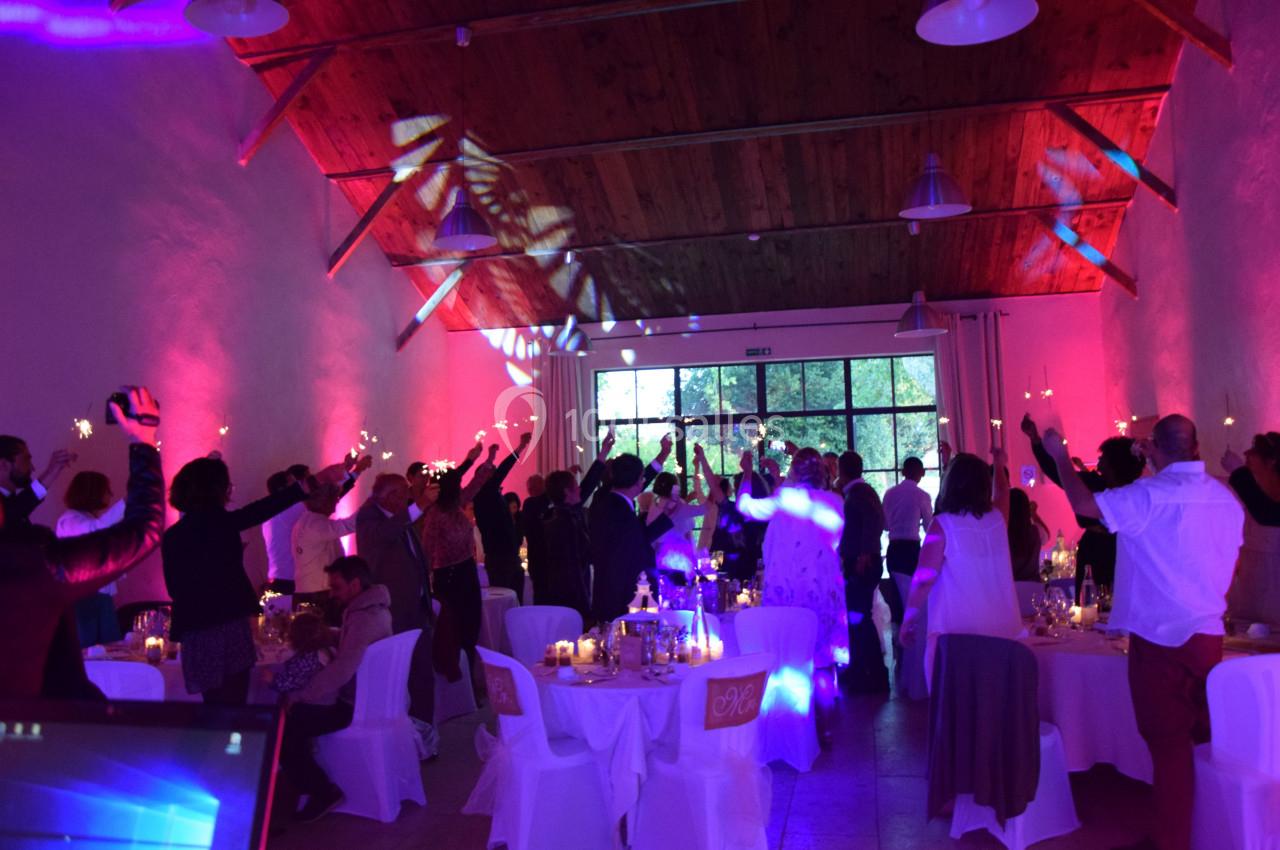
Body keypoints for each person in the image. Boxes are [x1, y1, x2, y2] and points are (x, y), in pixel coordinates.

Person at [1043, 416, 1243, 850]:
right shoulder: (1224, 498)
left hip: (1160, 640)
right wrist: (1155, 458)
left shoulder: (1148, 496)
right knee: (1207, 746)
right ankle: (1211, 834)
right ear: (1196, 446)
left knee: (1169, 750)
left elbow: (1084, 504)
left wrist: (1059, 456)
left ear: (1156, 446)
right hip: (1208, 636)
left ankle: (1172, 841)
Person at [0, 387, 164, 700]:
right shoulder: (34, 564)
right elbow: (143, 533)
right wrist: (143, 443)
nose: (32, 466)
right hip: (35, 723)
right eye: (27, 460)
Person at [163, 454, 349, 705]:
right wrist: (316, 479)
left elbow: (175, 588)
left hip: (197, 630)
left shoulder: (174, 536)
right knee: (234, 705)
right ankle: (237, 744)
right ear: (215, 490)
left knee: (213, 706)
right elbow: (267, 507)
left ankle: (214, 743)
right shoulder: (223, 524)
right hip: (230, 625)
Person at [738, 447, 847, 745]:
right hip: (824, 591)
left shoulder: (786, 500)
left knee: (789, 656)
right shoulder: (836, 501)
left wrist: (748, 473)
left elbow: (746, 507)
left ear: (796, 472)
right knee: (822, 660)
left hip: (789, 592)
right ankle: (824, 729)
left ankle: (789, 729)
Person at [277, 556, 393, 823]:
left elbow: (342, 669)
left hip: (354, 705)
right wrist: (329, 634)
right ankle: (303, 784)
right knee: (296, 718)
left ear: (354, 585)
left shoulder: (363, 618)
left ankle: (321, 791)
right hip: (371, 698)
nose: (332, 594)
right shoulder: (374, 609)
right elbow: (354, 645)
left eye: (337, 587)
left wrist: (300, 695)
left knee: (286, 724)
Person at [901, 450, 1022, 691]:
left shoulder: (942, 525)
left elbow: (924, 579)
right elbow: (1004, 493)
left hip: (958, 638)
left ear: (950, 484)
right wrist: (999, 464)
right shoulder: (997, 519)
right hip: (1004, 633)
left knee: (955, 710)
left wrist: (908, 618)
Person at [1021, 413, 1145, 595]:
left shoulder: (1134, 491)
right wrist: (1035, 440)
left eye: (1103, 458)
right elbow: (1056, 472)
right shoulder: (1094, 482)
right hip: (1096, 549)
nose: (1099, 462)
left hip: (1119, 549)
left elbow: (1057, 471)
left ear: (1113, 463)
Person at [355, 471, 436, 722]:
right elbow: (383, 535)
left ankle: (424, 730)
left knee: (422, 672)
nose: (410, 497)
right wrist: (419, 506)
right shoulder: (370, 517)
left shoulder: (401, 519)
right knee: (396, 674)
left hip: (415, 607)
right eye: (404, 493)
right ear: (389, 496)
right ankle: (399, 728)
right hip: (393, 610)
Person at [423, 443, 493, 679]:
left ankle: (470, 678)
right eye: (456, 484)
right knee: (454, 629)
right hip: (448, 576)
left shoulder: (457, 504)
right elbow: (426, 549)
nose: (461, 486)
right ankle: (455, 679)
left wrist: (488, 458)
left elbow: (477, 483)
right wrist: (425, 582)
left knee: (471, 627)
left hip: (466, 571)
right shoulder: (434, 514)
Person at [588, 450, 676, 623]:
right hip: (622, 595)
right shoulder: (619, 510)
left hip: (608, 590)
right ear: (638, 480)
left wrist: (665, 516)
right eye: (642, 477)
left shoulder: (605, 500)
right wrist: (666, 517)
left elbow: (632, 540)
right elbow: (637, 547)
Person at [55, 471, 127, 646]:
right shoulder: (70, 520)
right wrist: (127, 502)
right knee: (89, 654)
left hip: (99, 598)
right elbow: (95, 530)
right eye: (106, 490)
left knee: (109, 652)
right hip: (84, 599)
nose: (110, 494)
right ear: (92, 492)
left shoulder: (85, 519)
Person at [837, 451, 889, 693]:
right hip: (864, 561)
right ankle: (864, 671)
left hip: (861, 563)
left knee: (860, 618)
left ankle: (872, 675)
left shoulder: (858, 495)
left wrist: (862, 556)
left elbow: (871, 525)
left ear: (842, 470)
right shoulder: (864, 493)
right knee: (859, 618)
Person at [292, 456, 371, 606]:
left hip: (310, 591)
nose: (336, 502)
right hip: (315, 595)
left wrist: (357, 471)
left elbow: (336, 492)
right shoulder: (315, 525)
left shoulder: (310, 520)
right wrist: (372, 501)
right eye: (334, 499)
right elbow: (350, 525)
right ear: (325, 501)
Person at [1221, 432, 1280, 625]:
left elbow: (1268, 514)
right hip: (1248, 606)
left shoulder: (1262, 503)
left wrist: (1238, 473)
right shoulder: (1253, 495)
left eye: (1253, 455)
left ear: (1271, 461)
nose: (1247, 458)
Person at [473, 436, 531, 602]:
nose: (495, 475)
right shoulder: (483, 495)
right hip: (499, 560)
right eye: (491, 473)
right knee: (506, 602)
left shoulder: (496, 496)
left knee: (516, 601)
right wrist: (519, 448)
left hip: (510, 558)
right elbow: (503, 470)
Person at [880, 457, 934, 624]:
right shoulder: (922, 496)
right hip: (912, 550)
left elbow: (886, 525)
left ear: (903, 472)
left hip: (894, 549)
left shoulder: (890, 493)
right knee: (913, 597)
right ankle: (913, 637)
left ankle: (898, 640)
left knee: (896, 596)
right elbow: (929, 526)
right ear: (922, 473)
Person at [0, 435, 76, 530]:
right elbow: (14, 511)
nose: (32, 468)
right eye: (26, 460)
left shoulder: (11, 501)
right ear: (4, 464)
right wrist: (50, 473)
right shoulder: (9, 508)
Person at [650, 470, 708, 577]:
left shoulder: (653, 506)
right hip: (681, 558)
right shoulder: (680, 505)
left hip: (660, 558)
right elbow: (688, 535)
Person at [261, 466, 309, 595]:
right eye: (293, 483)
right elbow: (318, 500)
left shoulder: (269, 513)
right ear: (283, 489)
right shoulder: (286, 511)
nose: (297, 487)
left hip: (276, 579)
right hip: (289, 581)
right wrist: (350, 474)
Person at [269, 610, 337, 696]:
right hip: (323, 698)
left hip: (309, 702)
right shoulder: (325, 649)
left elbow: (291, 684)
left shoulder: (309, 658)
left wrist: (272, 679)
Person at [1007, 487, 1050, 582]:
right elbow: (1046, 536)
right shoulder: (1035, 531)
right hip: (1033, 586)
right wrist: (1033, 513)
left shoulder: (1002, 533)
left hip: (1011, 587)